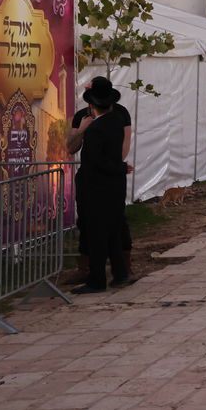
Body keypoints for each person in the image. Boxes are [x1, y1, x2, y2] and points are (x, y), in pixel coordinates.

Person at [66, 75, 134, 285]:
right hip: (104, 179)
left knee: (109, 226)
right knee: (95, 226)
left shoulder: (116, 118)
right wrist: (81, 130)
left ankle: (105, 275)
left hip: (102, 181)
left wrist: (117, 167)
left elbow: (114, 151)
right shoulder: (88, 118)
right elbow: (71, 147)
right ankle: (109, 272)